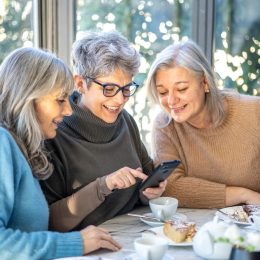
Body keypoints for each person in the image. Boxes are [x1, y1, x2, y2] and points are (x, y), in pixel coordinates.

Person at [0, 47, 121, 260]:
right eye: (60, 100)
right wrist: (75, 243)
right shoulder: (2, 144)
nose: (68, 111)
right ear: (29, 98)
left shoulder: (22, 149)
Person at [40, 30, 166, 232]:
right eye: (109, 89)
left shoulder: (125, 120)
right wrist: (104, 185)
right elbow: (50, 222)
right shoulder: (53, 133)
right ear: (80, 83)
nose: (119, 100)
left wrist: (150, 191)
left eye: (126, 89)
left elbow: (142, 186)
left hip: (134, 235)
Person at [145, 39, 260, 209]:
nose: (171, 100)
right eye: (162, 91)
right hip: (196, 226)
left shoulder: (254, 112)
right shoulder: (165, 125)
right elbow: (170, 187)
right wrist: (243, 194)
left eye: (182, 89)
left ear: (205, 82)